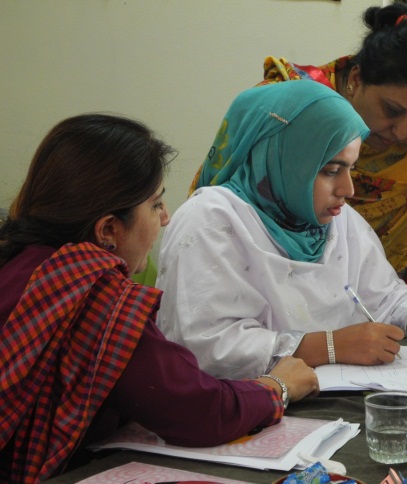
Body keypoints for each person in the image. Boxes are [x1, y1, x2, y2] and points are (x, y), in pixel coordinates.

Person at [0, 114, 319, 483]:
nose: (166, 218)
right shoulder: (95, 296)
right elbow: (198, 411)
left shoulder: (19, 260)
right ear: (108, 230)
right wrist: (276, 388)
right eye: (155, 204)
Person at [156, 80, 407, 382]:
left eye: (351, 168)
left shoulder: (332, 218)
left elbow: (383, 299)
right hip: (243, 415)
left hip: (333, 403)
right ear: (282, 159)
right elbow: (203, 347)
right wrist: (329, 346)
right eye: (331, 170)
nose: (348, 189)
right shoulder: (211, 220)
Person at [189, 3, 407, 285]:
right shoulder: (285, 114)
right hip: (254, 285)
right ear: (356, 78)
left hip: (375, 302)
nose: (403, 132)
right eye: (392, 110)